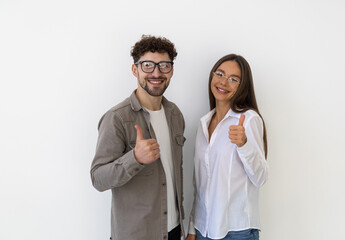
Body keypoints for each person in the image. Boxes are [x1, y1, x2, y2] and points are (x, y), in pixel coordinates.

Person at [90, 35, 186, 240]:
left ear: (172, 70)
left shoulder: (175, 114)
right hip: (136, 234)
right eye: (148, 65)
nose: (157, 73)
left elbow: (175, 172)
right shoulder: (116, 118)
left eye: (164, 66)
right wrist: (134, 158)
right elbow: (98, 178)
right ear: (135, 70)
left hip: (174, 231)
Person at [186, 54, 269, 240]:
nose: (224, 82)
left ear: (242, 87)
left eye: (234, 79)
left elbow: (261, 178)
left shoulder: (249, 120)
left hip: (236, 231)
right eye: (220, 74)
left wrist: (244, 145)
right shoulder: (203, 123)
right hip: (203, 229)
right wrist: (192, 227)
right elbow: (200, 183)